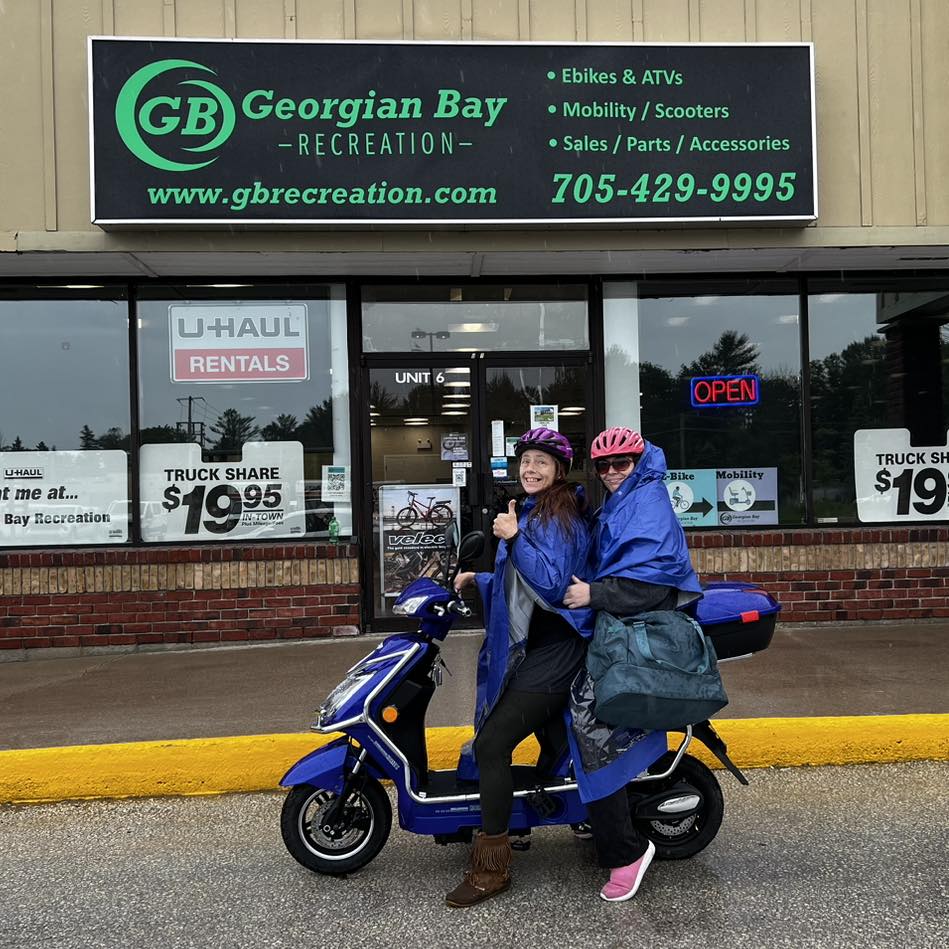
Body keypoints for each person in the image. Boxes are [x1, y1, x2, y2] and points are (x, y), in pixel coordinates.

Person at [446, 427, 593, 908]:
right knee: (546, 737)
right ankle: (538, 812)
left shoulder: (563, 514)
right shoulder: (533, 510)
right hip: (534, 648)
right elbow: (520, 584)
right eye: (526, 460)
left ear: (559, 472)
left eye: (542, 463)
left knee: (492, 745)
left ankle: (492, 869)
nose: (531, 468)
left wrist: (513, 537)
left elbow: (552, 586)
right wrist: (480, 578)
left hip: (558, 650)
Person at [563, 426, 702, 902]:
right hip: (616, 630)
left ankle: (625, 851)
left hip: (638, 640)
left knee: (590, 725)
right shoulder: (622, 503)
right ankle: (587, 808)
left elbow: (653, 587)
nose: (612, 472)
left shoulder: (649, 505)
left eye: (622, 463)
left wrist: (593, 593)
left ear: (639, 462)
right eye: (603, 465)